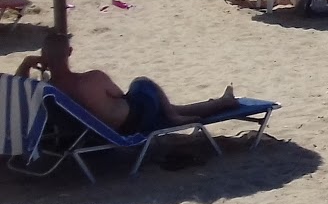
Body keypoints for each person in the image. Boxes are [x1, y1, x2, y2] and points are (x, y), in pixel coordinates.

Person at [15, 33, 241, 135]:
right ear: (70, 52)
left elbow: (17, 90)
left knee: (173, 108)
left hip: (88, 133)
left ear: (42, 55)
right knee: (142, 82)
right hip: (132, 121)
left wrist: (27, 64)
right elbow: (119, 94)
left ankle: (221, 102)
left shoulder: (46, 90)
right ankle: (179, 115)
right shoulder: (91, 79)